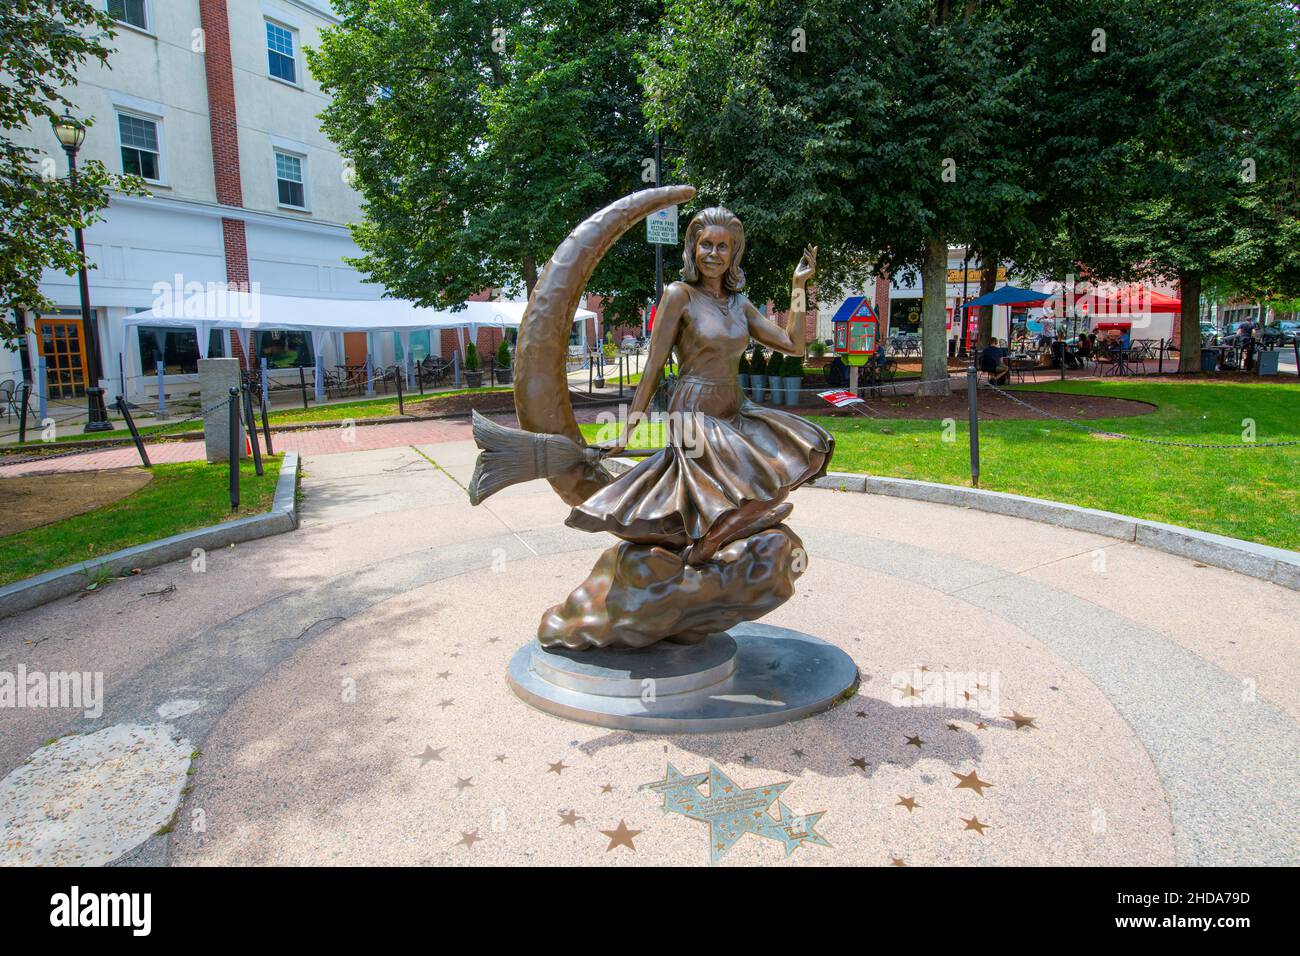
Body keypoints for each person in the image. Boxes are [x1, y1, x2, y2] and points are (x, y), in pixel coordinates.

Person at [571, 207, 833, 565]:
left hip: (736, 407)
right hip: (693, 412)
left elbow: (794, 344)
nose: (713, 254)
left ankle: (721, 533)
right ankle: (712, 540)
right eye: (705, 245)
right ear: (693, 248)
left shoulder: (740, 305)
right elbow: (654, 365)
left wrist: (798, 287)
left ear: (733, 253)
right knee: (755, 477)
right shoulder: (679, 295)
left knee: (811, 449)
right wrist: (628, 430)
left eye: (722, 247)